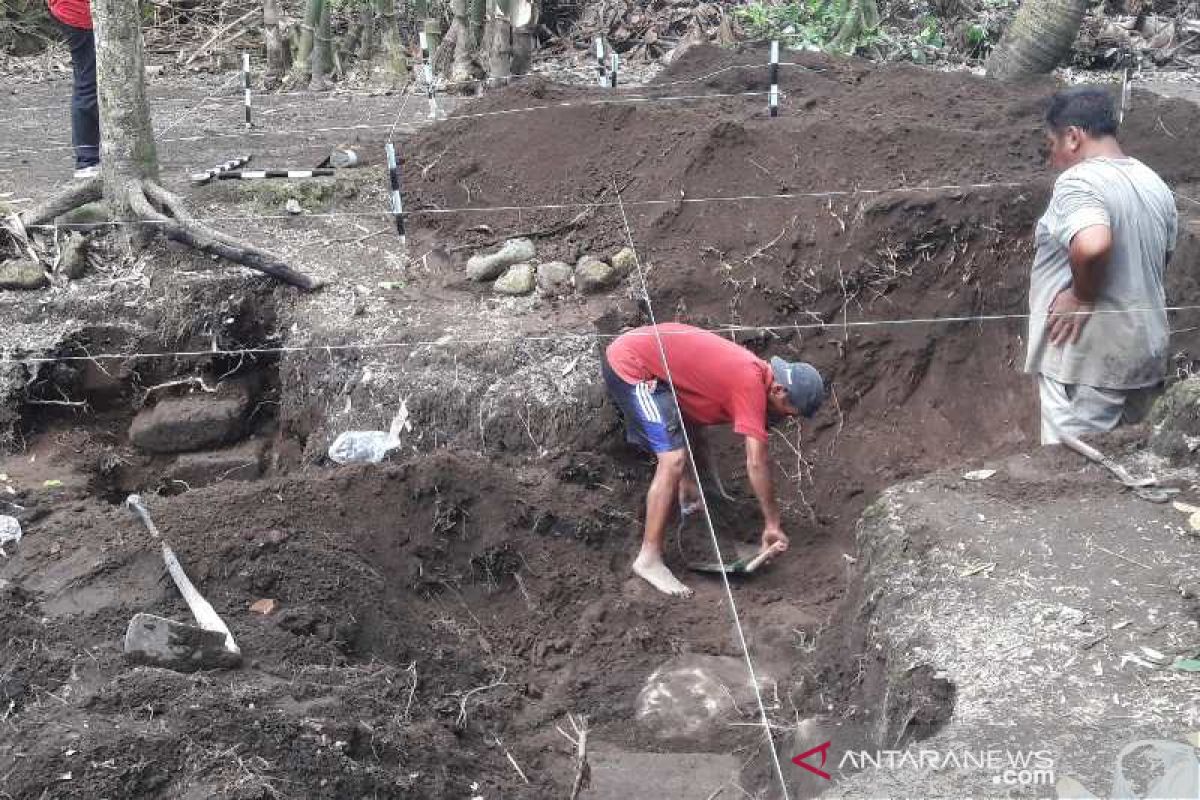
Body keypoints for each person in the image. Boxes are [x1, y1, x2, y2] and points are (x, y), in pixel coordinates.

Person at [602, 322, 825, 597]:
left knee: (696, 441)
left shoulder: (757, 374)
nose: (787, 418)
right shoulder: (750, 382)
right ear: (779, 390)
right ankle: (649, 558)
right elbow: (756, 462)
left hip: (656, 365)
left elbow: (692, 419)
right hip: (632, 365)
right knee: (672, 459)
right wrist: (772, 523)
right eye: (791, 411)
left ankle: (699, 515)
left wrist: (691, 483)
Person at [1025, 86, 1178, 445]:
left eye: (1053, 145)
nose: (1053, 159)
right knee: (1125, 480)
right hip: (1144, 357)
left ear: (1073, 137)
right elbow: (1162, 261)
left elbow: (1093, 244)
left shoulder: (1078, 181)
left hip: (1088, 363)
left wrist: (1081, 295)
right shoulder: (1154, 184)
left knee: (1075, 481)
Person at [47, 0, 100, 178]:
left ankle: (96, 155)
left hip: (75, 11)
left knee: (93, 81)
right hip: (78, 13)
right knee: (88, 83)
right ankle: (87, 161)